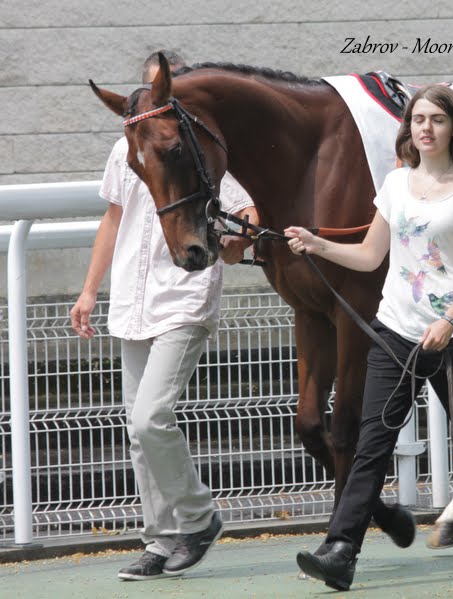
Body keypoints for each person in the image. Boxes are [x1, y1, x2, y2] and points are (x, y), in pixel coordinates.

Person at [285, 84, 453, 591]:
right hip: (395, 330)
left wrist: (448, 320)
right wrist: (317, 245)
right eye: (418, 119)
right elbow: (370, 256)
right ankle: (341, 549)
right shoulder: (395, 185)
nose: (425, 128)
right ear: (408, 129)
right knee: (372, 442)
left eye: (436, 120)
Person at [70, 50, 258, 581]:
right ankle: (159, 539)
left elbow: (247, 211)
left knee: (150, 415)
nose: (152, 95)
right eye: (147, 86)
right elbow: (113, 220)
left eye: (162, 87)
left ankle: (198, 519)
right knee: (138, 429)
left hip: (184, 294)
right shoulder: (126, 144)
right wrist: (89, 291)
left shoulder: (206, 145)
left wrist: (238, 237)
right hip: (131, 298)